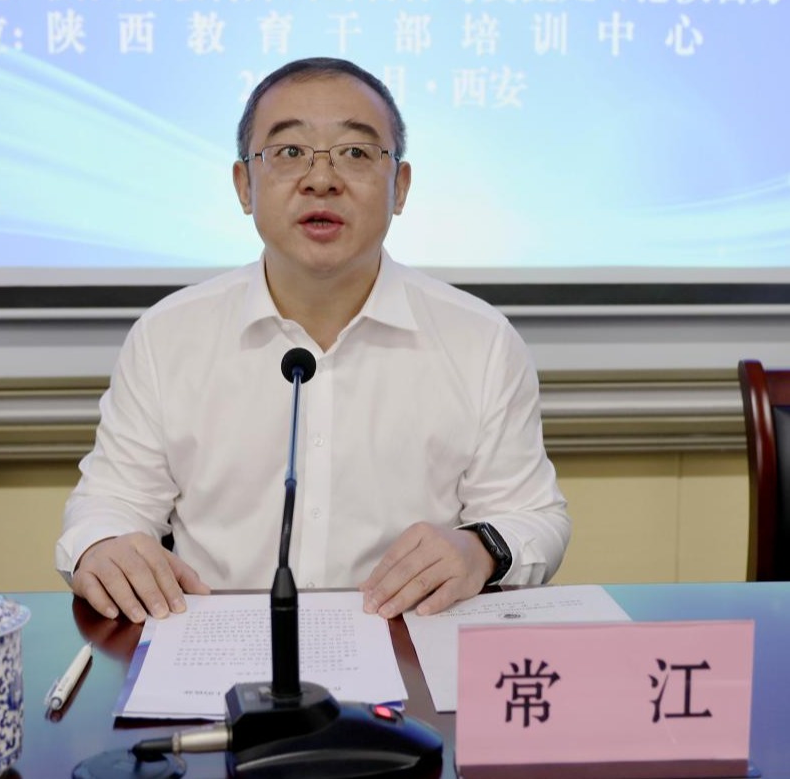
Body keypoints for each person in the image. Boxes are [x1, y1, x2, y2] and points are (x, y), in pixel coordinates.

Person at [56, 56, 570, 624]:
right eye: (289, 151)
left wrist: (480, 548)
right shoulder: (168, 336)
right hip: (217, 648)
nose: (321, 179)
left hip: (409, 648)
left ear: (399, 187)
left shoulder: (480, 340)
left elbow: (533, 516)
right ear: (244, 186)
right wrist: (102, 545)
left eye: (356, 153)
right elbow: (109, 504)